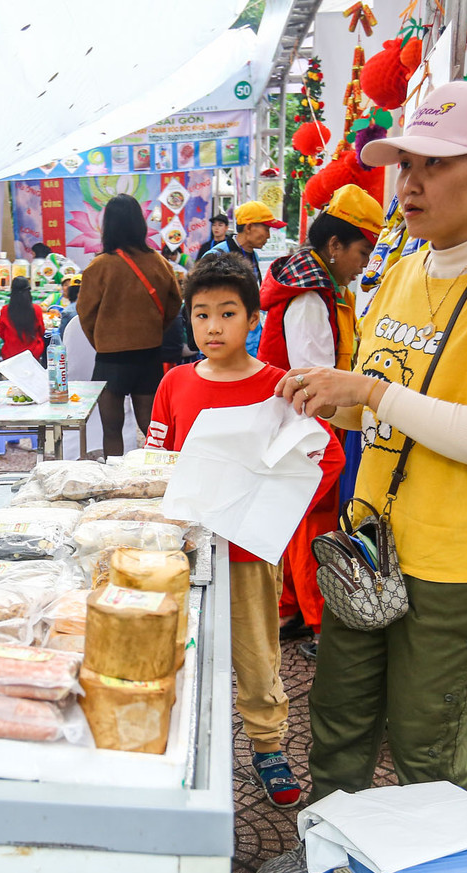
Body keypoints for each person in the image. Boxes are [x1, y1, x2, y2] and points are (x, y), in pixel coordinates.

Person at [255, 81, 467, 873]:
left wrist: (368, 394)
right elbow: (387, 402)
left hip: (460, 559)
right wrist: (325, 406)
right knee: (340, 718)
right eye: (404, 166)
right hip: (370, 545)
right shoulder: (399, 269)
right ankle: (327, 851)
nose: (409, 186)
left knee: (429, 743)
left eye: (433, 166)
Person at [146, 253, 343, 810]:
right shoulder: (175, 384)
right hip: (184, 551)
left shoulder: (282, 386)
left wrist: (276, 514)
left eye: (228, 313)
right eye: (201, 314)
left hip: (251, 553)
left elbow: (324, 456)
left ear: (253, 318)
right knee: (179, 648)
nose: (213, 326)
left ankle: (268, 744)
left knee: (257, 653)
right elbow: (157, 460)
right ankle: (174, 741)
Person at [257, 184, 383, 651]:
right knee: (314, 521)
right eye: (362, 252)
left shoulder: (314, 288)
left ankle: (290, 608)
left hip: (292, 423)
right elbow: (316, 382)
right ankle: (318, 623)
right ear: (334, 246)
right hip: (305, 425)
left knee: (298, 518)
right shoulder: (310, 299)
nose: (364, 264)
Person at [76, 193, 182, 457]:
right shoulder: (159, 262)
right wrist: (154, 330)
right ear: (139, 225)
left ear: (108, 226)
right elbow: (174, 303)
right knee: (152, 429)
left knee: (112, 430)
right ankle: (163, 477)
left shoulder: (98, 266)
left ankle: (115, 482)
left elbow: (85, 314)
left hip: (110, 360)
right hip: (149, 356)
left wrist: (102, 339)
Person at [211, 201, 282, 288]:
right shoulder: (217, 254)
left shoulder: (254, 255)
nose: (268, 236)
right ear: (248, 227)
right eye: (266, 230)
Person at [0, 276, 45, 362]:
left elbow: (1, 332)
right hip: (33, 353)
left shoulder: (5, 310)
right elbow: (42, 331)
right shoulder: (37, 309)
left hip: (10, 353)